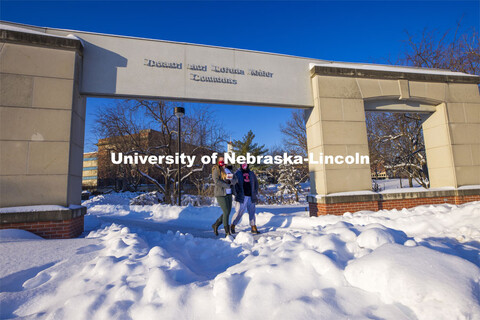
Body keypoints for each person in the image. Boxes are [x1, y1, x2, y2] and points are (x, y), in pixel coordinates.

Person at [230, 163, 260, 234]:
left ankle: (253, 226)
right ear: (241, 165)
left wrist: (255, 192)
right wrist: (236, 193)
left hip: (251, 196)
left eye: (246, 164)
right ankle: (233, 225)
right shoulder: (237, 173)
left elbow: (256, 183)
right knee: (239, 212)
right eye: (243, 164)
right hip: (242, 196)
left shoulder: (251, 173)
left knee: (252, 212)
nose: (245, 166)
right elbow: (234, 184)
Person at [211, 157, 236, 237]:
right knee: (226, 212)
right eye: (221, 160)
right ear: (218, 161)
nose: (222, 161)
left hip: (229, 193)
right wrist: (226, 185)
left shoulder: (228, 169)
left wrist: (231, 182)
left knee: (227, 212)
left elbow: (236, 179)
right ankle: (227, 232)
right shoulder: (216, 169)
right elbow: (216, 181)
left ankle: (216, 225)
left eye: (224, 160)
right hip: (220, 194)